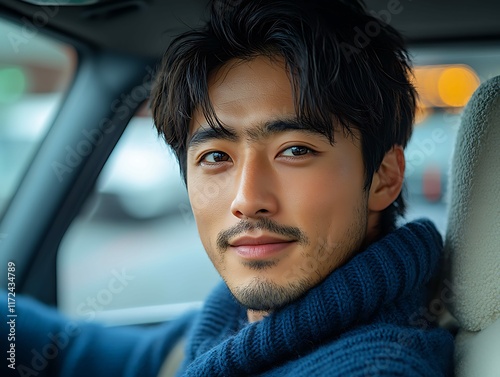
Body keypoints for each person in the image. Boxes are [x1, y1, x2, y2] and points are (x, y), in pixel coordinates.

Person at [2, 0, 454, 376]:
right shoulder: (236, 325)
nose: (246, 200)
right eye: (215, 157)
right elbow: (78, 353)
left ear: (384, 177)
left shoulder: (374, 368)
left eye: (294, 150)